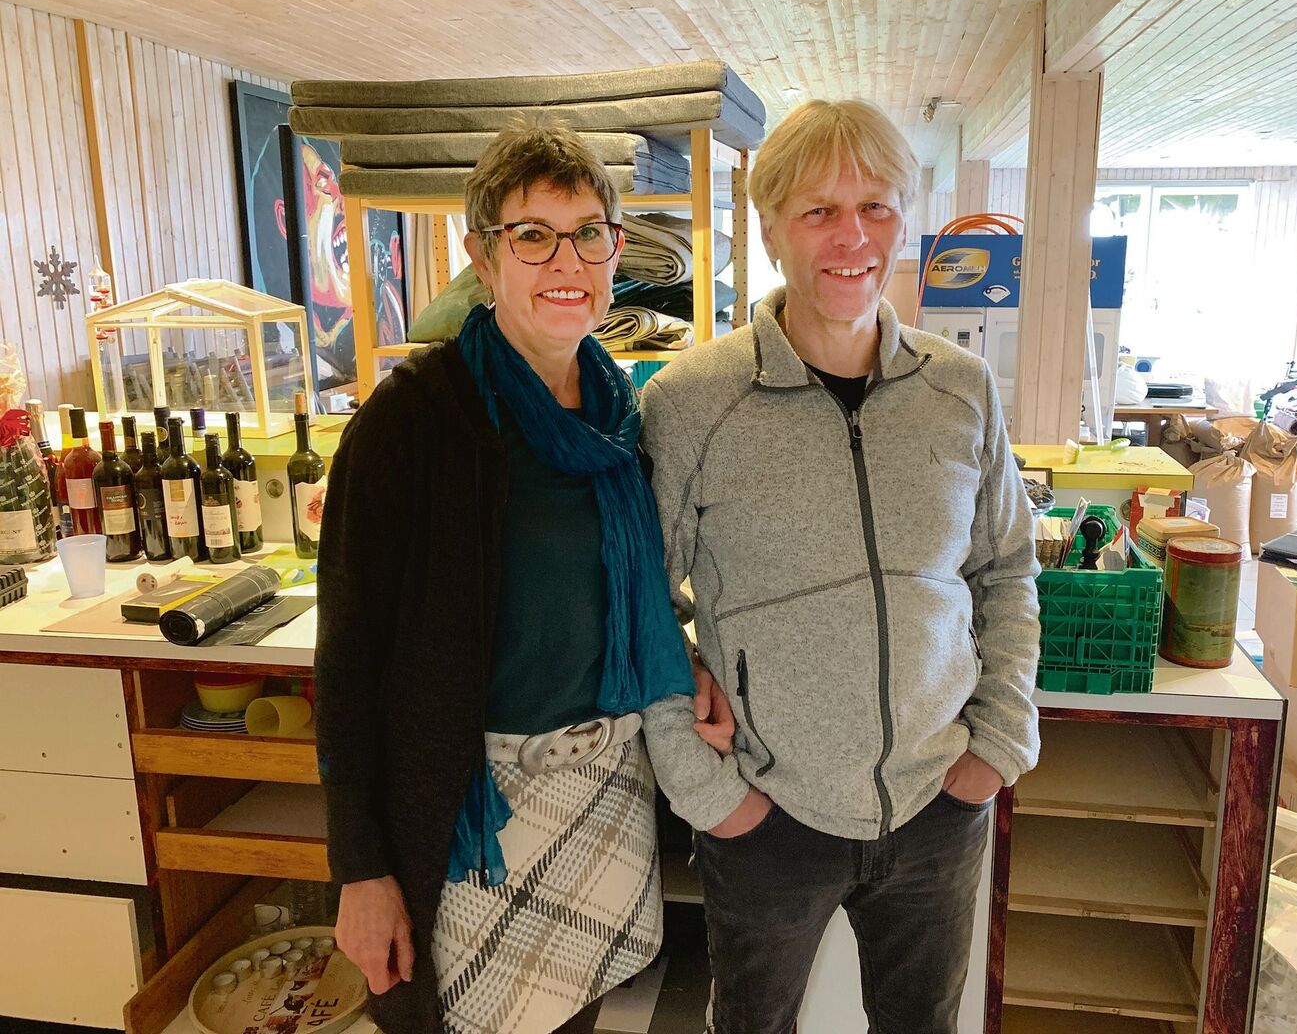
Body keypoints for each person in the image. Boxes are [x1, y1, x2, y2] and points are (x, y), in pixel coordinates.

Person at [315, 123, 730, 1034]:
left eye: (589, 234)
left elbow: (623, 595)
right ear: (483, 256)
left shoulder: (624, 414)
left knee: (576, 1019)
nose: (566, 261)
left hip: (606, 786)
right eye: (533, 235)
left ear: (615, 251)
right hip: (474, 807)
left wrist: (686, 657)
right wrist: (360, 868)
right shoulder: (411, 422)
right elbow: (345, 663)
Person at [639, 99, 1042, 1034]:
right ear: (771, 229)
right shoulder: (690, 401)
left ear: (905, 220)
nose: (852, 237)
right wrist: (709, 794)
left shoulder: (961, 388)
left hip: (939, 801)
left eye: (875, 207)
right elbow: (641, 603)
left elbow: (1007, 570)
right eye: (819, 210)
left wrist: (997, 744)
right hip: (767, 815)